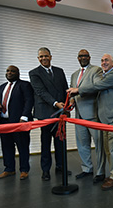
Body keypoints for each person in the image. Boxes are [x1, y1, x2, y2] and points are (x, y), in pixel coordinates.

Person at [69, 54, 113, 191]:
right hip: (107, 119)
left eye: (106, 60)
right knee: (109, 150)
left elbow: (97, 86)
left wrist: (78, 90)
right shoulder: (103, 75)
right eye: (102, 60)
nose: (104, 62)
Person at [29, 47, 71, 181]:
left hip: (60, 114)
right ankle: (45, 170)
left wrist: (66, 105)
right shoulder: (34, 73)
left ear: (51, 57)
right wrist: (55, 103)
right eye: (41, 57)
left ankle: (61, 167)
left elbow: (65, 89)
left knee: (60, 143)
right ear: (38, 59)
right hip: (45, 114)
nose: (44, 58)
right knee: (45, 143)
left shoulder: (59, 71)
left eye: (46, 56)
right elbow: (41, 92)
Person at [0, 65, 34, 180]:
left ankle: (24, 170)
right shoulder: (1, 87)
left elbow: (29, 101)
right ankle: (9, 169)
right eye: (8, 71)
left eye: (13, 71)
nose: (9, 73)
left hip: (20, 122)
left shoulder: (25, 85)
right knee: (6, 146)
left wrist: (24, 117)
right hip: (4, 122)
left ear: (18, 73)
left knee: (22, 146)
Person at [70, 49, 106, 183]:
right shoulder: (74, 74)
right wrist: (71, 100)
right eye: (80, 56)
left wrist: (78, 91)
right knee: (82, 144)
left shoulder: (96, 70)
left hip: (93, 113)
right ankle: (87, 169)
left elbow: (96, 86)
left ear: (89, 57)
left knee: (99, 144)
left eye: (85, 56)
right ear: (77, 58)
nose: (83, 58)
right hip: (78, 114)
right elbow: (71, 90)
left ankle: (101, 172)